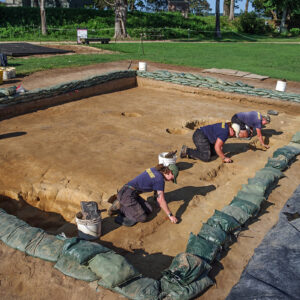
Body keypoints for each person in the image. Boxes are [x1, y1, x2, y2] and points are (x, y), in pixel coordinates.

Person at [108, 164, 179, 226]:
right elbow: (161, 200)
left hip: (130, 191)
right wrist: (170, 216)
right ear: (170, 172)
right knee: (142, 217)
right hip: (127, 195)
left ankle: (123, 202)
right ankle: (120, 207)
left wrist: (156, 196)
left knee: (149, 209)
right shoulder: (160, 180)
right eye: (172, 178)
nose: (170, 181)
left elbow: (153, 182)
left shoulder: (155, 169)